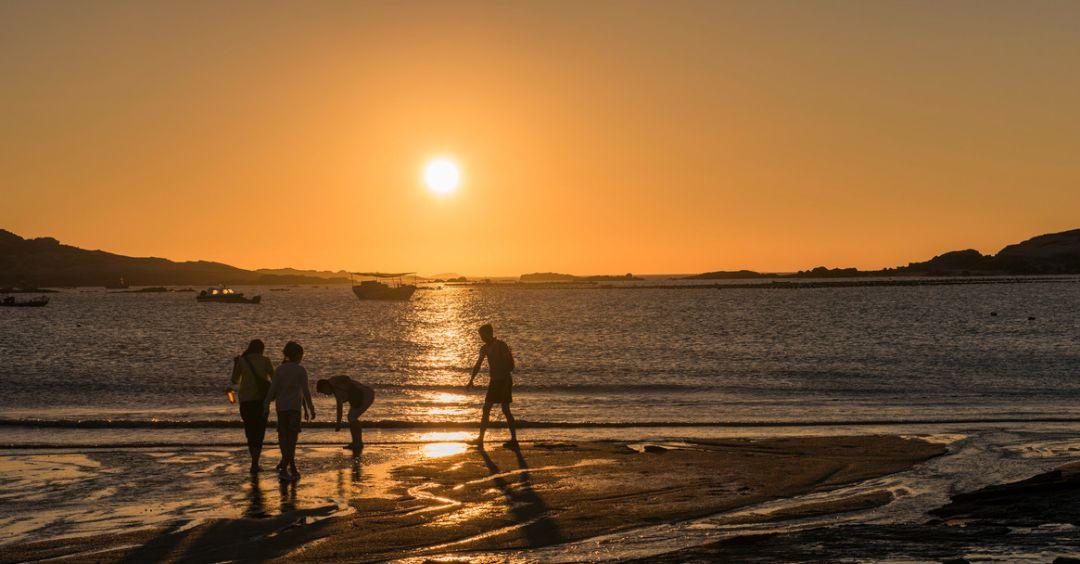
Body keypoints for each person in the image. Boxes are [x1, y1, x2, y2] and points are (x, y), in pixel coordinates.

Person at [263, 341, 315, 480]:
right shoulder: (300, 370)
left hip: (281, 408)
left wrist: (266, 404)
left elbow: (272, 389)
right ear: (298, 355)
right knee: (292, 438)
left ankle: (288, 464)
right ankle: (287, 465)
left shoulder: (280, 369)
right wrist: (311, 408)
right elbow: (306, 391)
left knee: (283, 437)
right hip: (294, 409)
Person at [465, 323, 518, 446]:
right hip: (494, 381)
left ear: (489, 334)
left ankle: (514, 440)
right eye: (480, 336)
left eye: (482, 335)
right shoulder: (484, 348)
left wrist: (504, 378)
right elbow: (478, 364)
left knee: (505, 410)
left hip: (504, 380)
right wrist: (471, 380)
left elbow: (511, 365)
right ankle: (480, 439)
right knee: (486, 408)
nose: (481, 338)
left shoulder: (501, 345)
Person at [229, 339, 274, 473]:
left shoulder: (242, 361)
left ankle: (253, 462)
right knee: (260, 432)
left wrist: (235, 364)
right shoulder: (266, 360)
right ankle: (255, 462)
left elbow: (234, 380)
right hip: (261, 401)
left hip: (246, 401)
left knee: (250, 431)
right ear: (262, 349)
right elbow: (274, 378)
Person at [316, 376, 375, 453]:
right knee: (352, 417)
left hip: (365, 394)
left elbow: (346, 378)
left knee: (352, 417)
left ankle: (357, 443)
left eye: (323, 391)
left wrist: (338, 424)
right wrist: (338, 423)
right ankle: (357, 442)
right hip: (363, 394)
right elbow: (339, 407)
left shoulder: (333, 382)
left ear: (325, 386)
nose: (325, 394)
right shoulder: (336, 391)